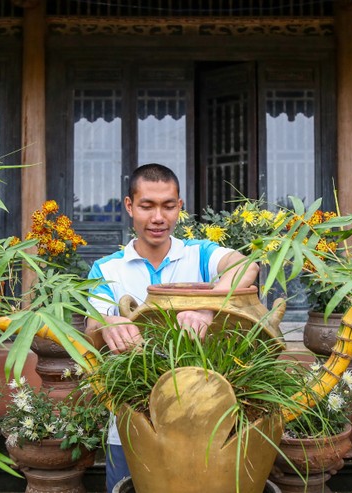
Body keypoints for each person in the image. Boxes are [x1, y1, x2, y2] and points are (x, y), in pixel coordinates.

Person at [84, 163, 259, 492]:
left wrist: (206, 307)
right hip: (133, 423)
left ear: (180, 207)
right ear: (129, 206)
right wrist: (110, 321)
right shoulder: (108, 267)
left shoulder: (200, 254)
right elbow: (92, 321)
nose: (158, 217)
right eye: (147, 206)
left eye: (168, 206)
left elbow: (246, 265)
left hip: (207, 420)